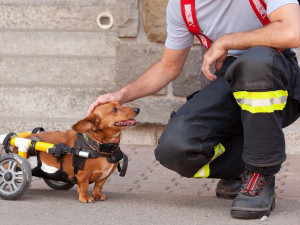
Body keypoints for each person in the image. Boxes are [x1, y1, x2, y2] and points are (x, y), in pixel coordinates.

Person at [88, 0, 300, 219]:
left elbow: (292, 31)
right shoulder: (181, 6)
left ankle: (260, 173)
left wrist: (227, 41)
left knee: (255, 64)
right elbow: (168, 65)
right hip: (227, 79)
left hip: (276, 75)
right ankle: (241, 168)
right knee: (175, 148)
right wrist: (120, 96)